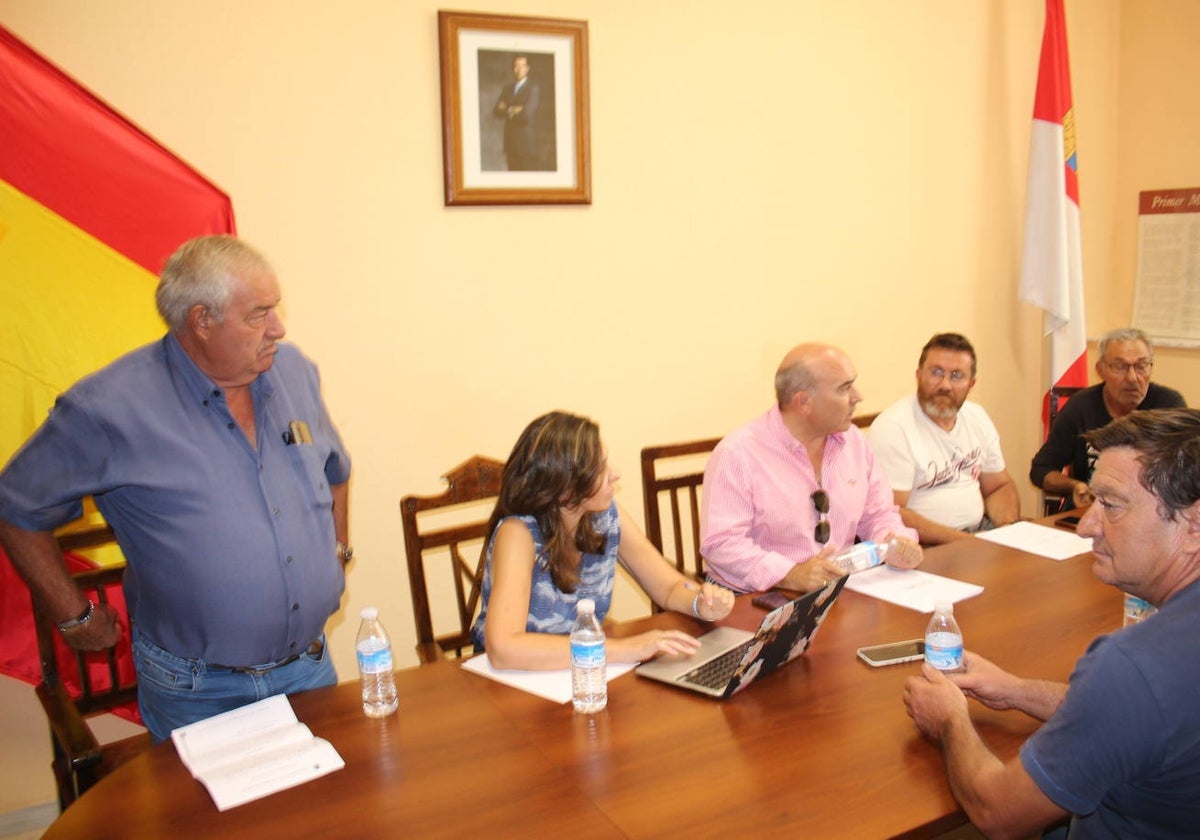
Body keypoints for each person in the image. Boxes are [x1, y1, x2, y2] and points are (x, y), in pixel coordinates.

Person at [0, 235, 351, 741]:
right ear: (202, 321)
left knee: (328, 815)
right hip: (198, 690)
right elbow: (15, 507)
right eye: (258, 314)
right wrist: (74, 616)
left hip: (310, 669)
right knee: (214, 822)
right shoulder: (109, 408)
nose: (278, 328)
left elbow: (336, 470)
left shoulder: (294, 371)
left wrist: (338, 550)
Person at [904, 408, 1200, 839]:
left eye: (1112, 506)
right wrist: (1013, 690)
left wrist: (950, 720)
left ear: (1192, 526)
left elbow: (998, 812)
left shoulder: (1132, 665)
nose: (1086, 526)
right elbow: (1136, 720)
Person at [470, 411, 734, 670]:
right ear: (565, 490)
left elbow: (667, 587)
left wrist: (701, 603)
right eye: (599, 468)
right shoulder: (519, 533)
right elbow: (504, 649)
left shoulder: (605, 516)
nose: (615, 474)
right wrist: (625, 649)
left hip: (580, 671)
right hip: (513, 683)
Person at [700, 343, 922, 595]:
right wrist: (790, 574)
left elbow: (879, 514)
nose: (857, 396)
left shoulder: (854, 442)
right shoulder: (737, 454)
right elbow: (721, 544)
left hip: (836, 592)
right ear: (804, 402)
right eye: (845, 388)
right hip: (754, 599)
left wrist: (897, 542)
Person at [868, 333, 1019, 544]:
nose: (945, 385)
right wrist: (967, 543)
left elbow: (998, 487)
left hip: (980, 535)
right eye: (936, 373)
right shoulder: (893, 427)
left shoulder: (977, 416)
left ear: (971, 383)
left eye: (957, 375)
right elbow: (891, 513)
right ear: (918, 375)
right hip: (922, 545)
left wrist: (1006, 530)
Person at [1030, 327, 1185, 509]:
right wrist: (1075, 486)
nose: (1132, 378)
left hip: (1150, 513)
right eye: (1120, 367)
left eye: (1141, 366)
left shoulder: (1168, 406)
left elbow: (1186, 474)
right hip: (1091, 511)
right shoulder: (1080, 407)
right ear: (1100, 369)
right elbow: (1041, 469)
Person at [492, 55, 541, 171]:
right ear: (513, 69)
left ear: (527, 68)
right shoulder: (507, 89)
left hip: (526, 146)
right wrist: (513, 109)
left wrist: (507, 108)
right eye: (516, 66)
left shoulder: (533, 88)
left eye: (522, 66)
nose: (518, 70)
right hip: (510, 144)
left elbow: (526, 116)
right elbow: (496, 112)